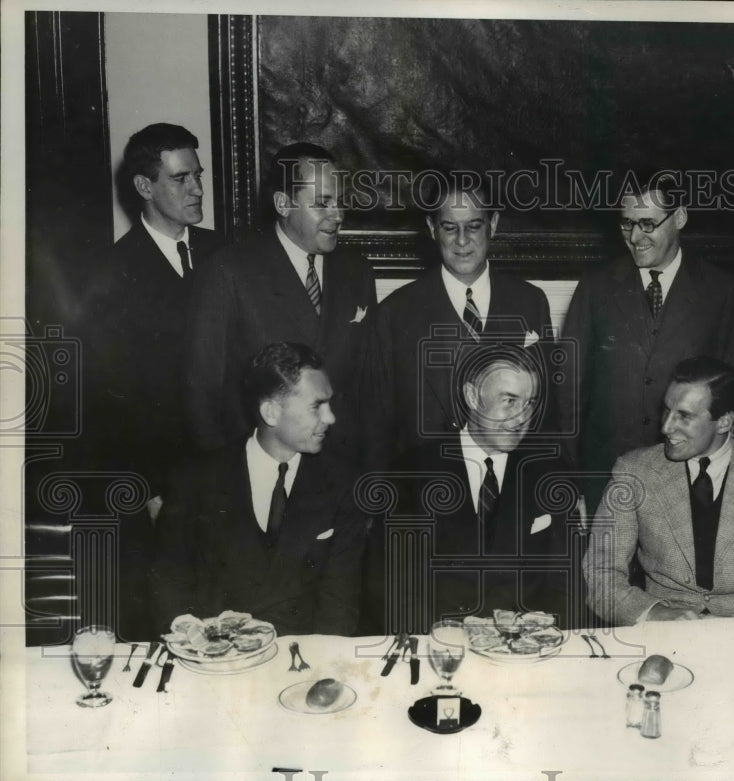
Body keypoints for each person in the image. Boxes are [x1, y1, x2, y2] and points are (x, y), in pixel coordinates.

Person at [583, 357, 734, 625]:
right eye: (666, 411)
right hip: (666, 631)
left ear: (723, 422)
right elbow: (601, 573)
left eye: (684, 416)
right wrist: (654, 613)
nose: (666, 427)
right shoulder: (633, 471)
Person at [559, 175, 734, 514]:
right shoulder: (595, 288)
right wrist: (571, 481)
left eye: (648, 224)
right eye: (627, 224)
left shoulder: (720, 291)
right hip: (606, 479)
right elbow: (570, 392)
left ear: (679, 217)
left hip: (686, 480)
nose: (635, 238)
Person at [151, 342, 368, 636]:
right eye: (317, 406)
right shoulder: (196, 479)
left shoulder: (344, 484)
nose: (330, 418)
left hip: (301, 658)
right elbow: (169, 578)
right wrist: (188, 632)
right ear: (271, 413)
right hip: (217, 662)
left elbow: (339, 606)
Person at [362, 344, 579, 635]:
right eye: (509, 401)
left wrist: (535, 636)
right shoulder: (409, 472)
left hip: (523, 653)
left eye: (530, 403)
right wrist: (443, 641)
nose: (521, 419)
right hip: (437, 644)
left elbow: (567, 580)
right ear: (472, 397)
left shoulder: (551, 473)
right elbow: (389, 584)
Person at [184, 142, 376, 459]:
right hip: (259, 463)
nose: (338, 215)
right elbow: (201, 391)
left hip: (338, 467)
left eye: (340, 201)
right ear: (283, 204)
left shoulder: (358, 270)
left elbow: (368, 384)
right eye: (322, 203)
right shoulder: (229, 271)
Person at [362, 182, 554, 470]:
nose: (462, 241)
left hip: (510, 491)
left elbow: (546, 411)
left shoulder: (530, 302)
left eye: (474, 226)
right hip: (424, 493)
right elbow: (376, 428)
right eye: (450, 227)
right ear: (432, 228)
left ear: (494, 224)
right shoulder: (395, 314)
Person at [85, 123, 225, 515]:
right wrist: (149, 488)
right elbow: (114, 401)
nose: (197, 189)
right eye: (181, 179)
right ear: (145, 188)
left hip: (232, 464)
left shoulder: (227, 252)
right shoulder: (112, 273)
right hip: (166, 479)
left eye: (198, 176)